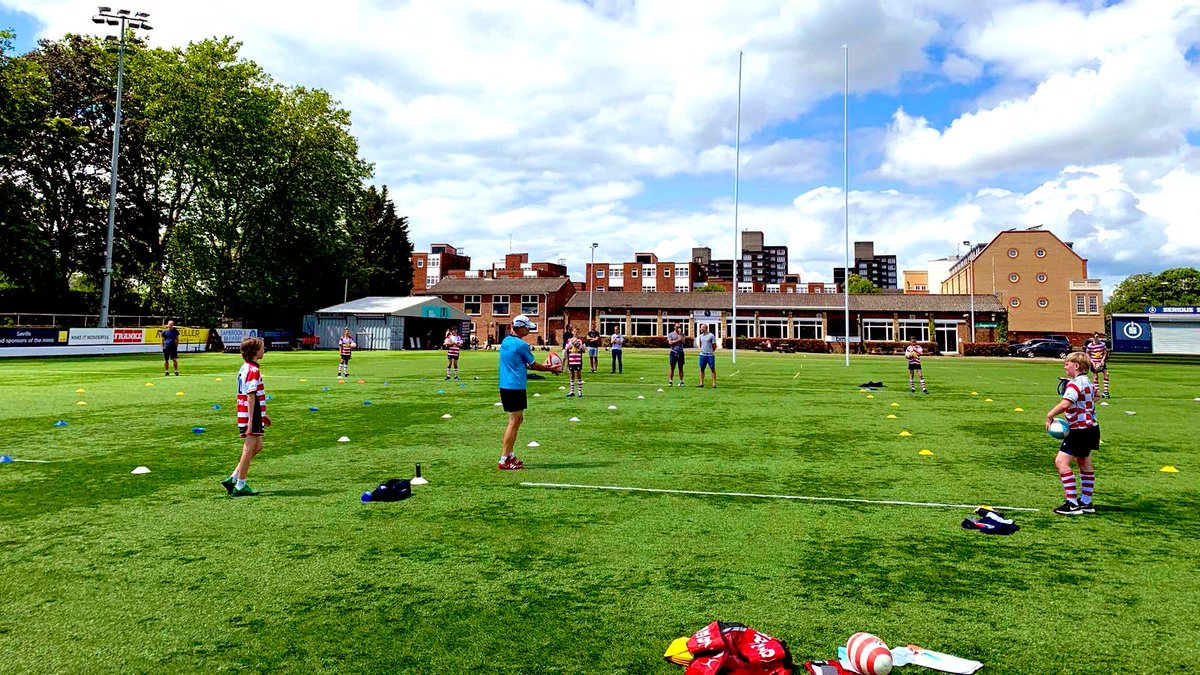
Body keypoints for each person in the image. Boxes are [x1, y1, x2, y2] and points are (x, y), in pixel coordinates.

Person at [498, 315, 562, 470]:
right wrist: (550, 369)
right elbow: (533, 365)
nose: (529, 330)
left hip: (507, 385)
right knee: (514, 422)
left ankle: (510, 455)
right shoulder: (521, 345)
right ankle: (504, 459)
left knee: (517, 420)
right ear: (520, 328)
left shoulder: (505, 342)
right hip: (514, 387)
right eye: (527, 327)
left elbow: (519, 363)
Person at [1045, 352, 1100, 516]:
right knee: (1084, 462)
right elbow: (1096, 395)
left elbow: (1064, 404)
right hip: (1092, 428)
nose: (1065, 366)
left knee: (1061, 462)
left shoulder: (1075, 384)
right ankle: (1086, 502)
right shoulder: (1088, 382)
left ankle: (1072, 503)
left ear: (1076, 366)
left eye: (1067, 363)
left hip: (1079, 430)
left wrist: (1049, 415)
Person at [222, 337, 271, 497]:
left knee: (257, 447)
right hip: (251, 412)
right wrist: (253, 419)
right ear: (255, 352)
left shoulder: (245, 367)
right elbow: (251, 395)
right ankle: (241, 484)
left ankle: (233, 478)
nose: (264, 350)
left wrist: (264, 415)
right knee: (249, 447)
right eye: (262, 348)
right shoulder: (253, 370)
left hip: (254, 412)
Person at [1085, 332, 1110, 398]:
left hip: (1101, 362)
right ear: (1093, 338)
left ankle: (1106, 391)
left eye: (1097, 337)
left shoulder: (1102, 344)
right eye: (1095, 337)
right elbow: (1087, 354)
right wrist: (1092, 362)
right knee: (1095, 377)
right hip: (1094, 362)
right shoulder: (1090, 345)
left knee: (1106, 374)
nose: (1096, 338)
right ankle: (1097, 392)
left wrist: (1102, 360)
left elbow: (1105, 353)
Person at [696, 324, 717, 388]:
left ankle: (714, 384)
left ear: (705, 328)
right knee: (702, 369)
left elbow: (714, 345)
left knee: (712, 369)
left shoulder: (711, 336)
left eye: (702, 328)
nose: (700, 329)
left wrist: (711, 351)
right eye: (700, 328)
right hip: (702, 355)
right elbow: (700, 344)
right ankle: (701, 383)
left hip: (710, 355)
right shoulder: (700, 336)